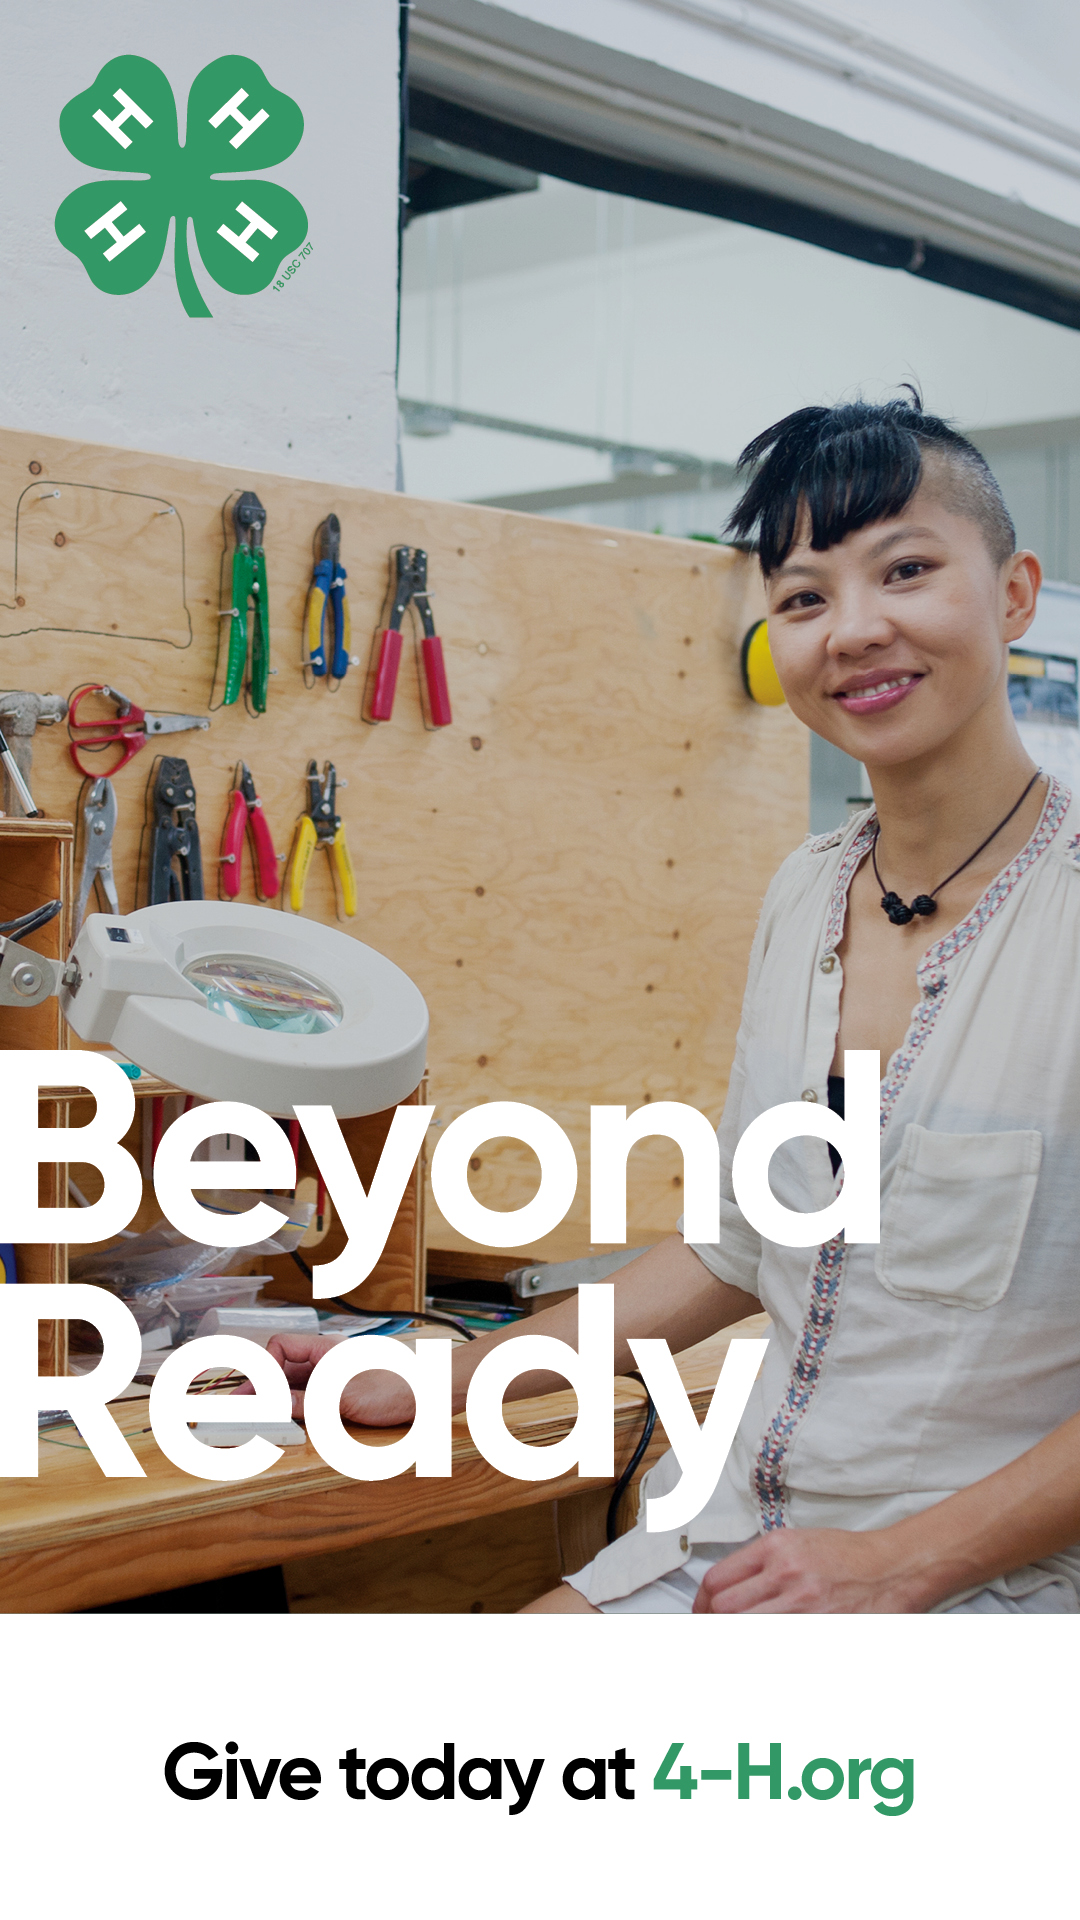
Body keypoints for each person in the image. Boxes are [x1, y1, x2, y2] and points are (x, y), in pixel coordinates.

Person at [264, 392, 1080, 1613]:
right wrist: (453, 1379)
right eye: (804, 598)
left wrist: (902, 1564)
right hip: (738, 1545)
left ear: (1013, 595)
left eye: (904, 571)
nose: (852, 631)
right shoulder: (807, 893)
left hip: (991, 1590)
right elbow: (739, 1246)